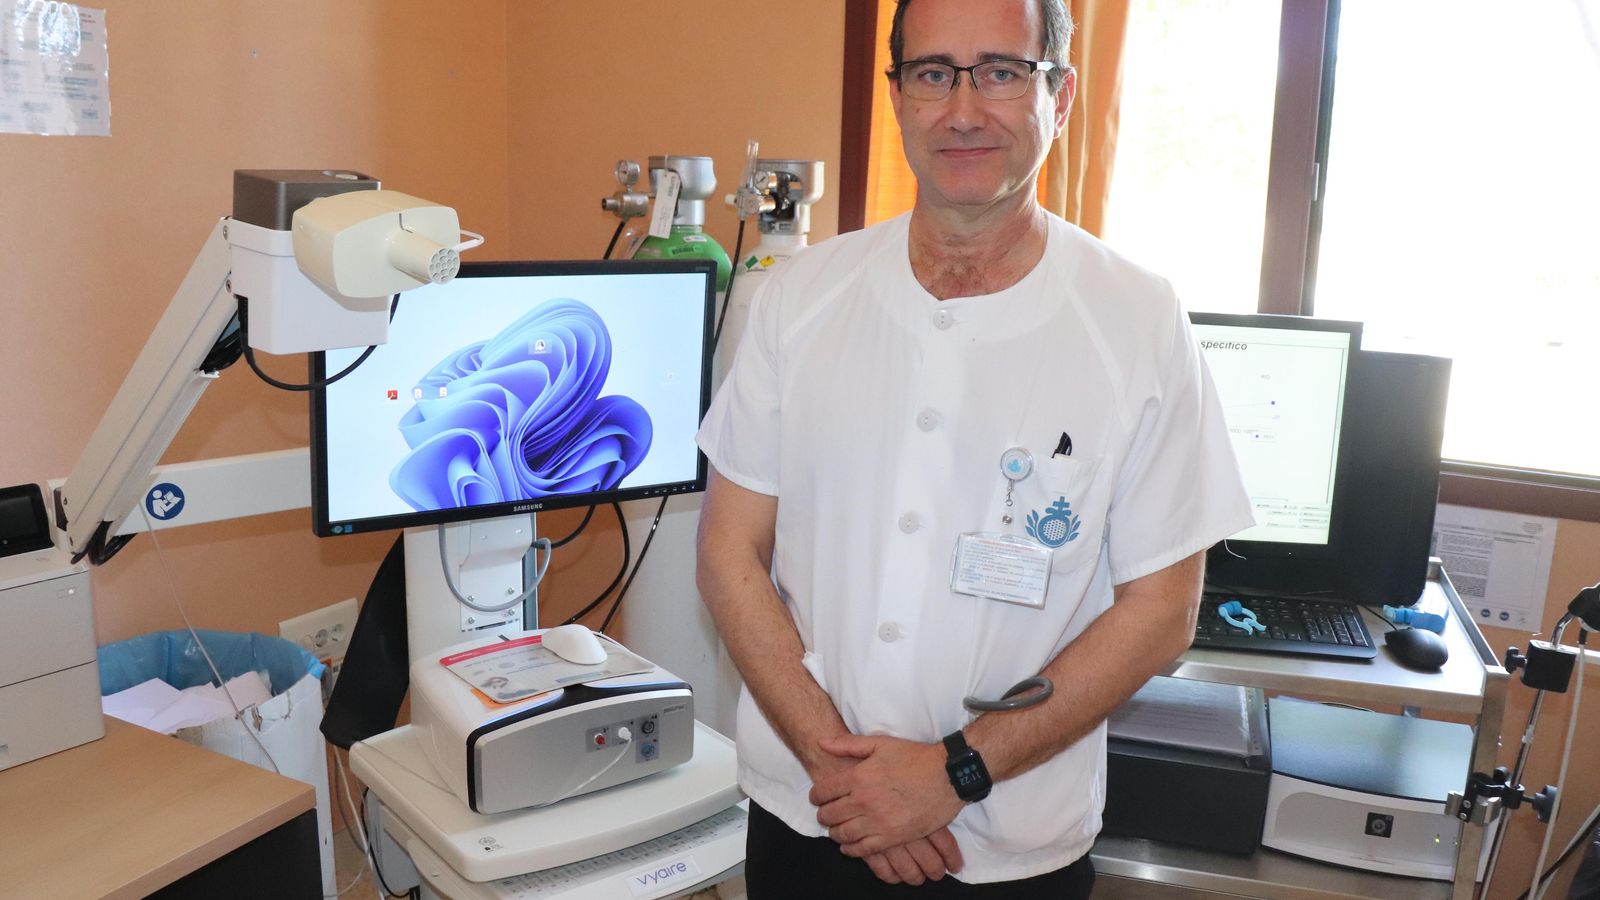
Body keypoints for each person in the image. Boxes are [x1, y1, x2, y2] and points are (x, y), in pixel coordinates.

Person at [694, 0, 1253, 894]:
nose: (962, 110)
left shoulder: (1137, 322)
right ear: (898, 96)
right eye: (933, 73)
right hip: (809, 817)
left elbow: (1160, 610)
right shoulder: (801, 297)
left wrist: (953, 773)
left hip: (1008, 845)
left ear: (1060, 96)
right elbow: (729, 549)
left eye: (1000, 72)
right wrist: (843, 773)